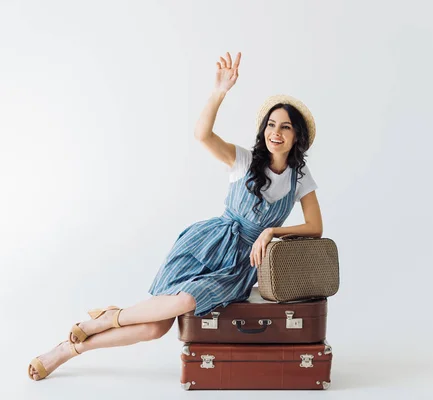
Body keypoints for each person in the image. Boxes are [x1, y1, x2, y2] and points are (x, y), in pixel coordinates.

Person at [28, 51, 323, 381]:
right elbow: (202, 135)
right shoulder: (242, 160)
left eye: (285, 126)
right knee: (155, 328)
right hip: (208, 244)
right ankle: (72, 346)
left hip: (239, 265)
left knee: (180, 305)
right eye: (271, 124)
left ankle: (96, 327)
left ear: (297, 135)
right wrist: (219, 91)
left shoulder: (300, 177)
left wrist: (270, 232)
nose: (276, 132)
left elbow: (315, 227)